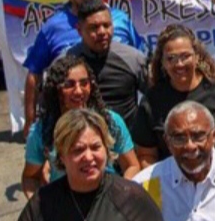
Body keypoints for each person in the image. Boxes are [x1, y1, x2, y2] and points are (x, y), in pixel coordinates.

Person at [4, 109, 174, 221]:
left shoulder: (132, 198)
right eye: (78, 150)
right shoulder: (42, 203)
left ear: (107, 150)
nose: (88, 157)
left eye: (95, 147)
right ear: (61, 156)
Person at [23, 0, 144, 134]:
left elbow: (142, 66)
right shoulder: (53, 26)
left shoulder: (121, 19)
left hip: (124, 129)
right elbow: (34, 74)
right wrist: (30, 120)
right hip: (76, 131)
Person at [22, 56, 140, 198]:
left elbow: (132, 166)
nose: (78, 91)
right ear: (56, 89)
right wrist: (40, 210)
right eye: (69, 84)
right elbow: (30, 178)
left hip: (107, 200)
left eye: (84, 83)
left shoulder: (111, 121)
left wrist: (121, 195)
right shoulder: (42, 131)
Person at [132, 25, 215, 165]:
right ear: (162, 62)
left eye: (185, 56)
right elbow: (146, 155)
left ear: (197, 56)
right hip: (171, 183)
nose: (179, 64)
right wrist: (157, 186)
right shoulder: (152, 100)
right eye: (171, 58)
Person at [65, 0, 148, 128]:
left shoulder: (133, 59)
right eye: (94, 27)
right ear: (79, 30)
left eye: (106, 25)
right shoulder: (67, 61)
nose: (102, 32)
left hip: (127, 143)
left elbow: (155, 98)